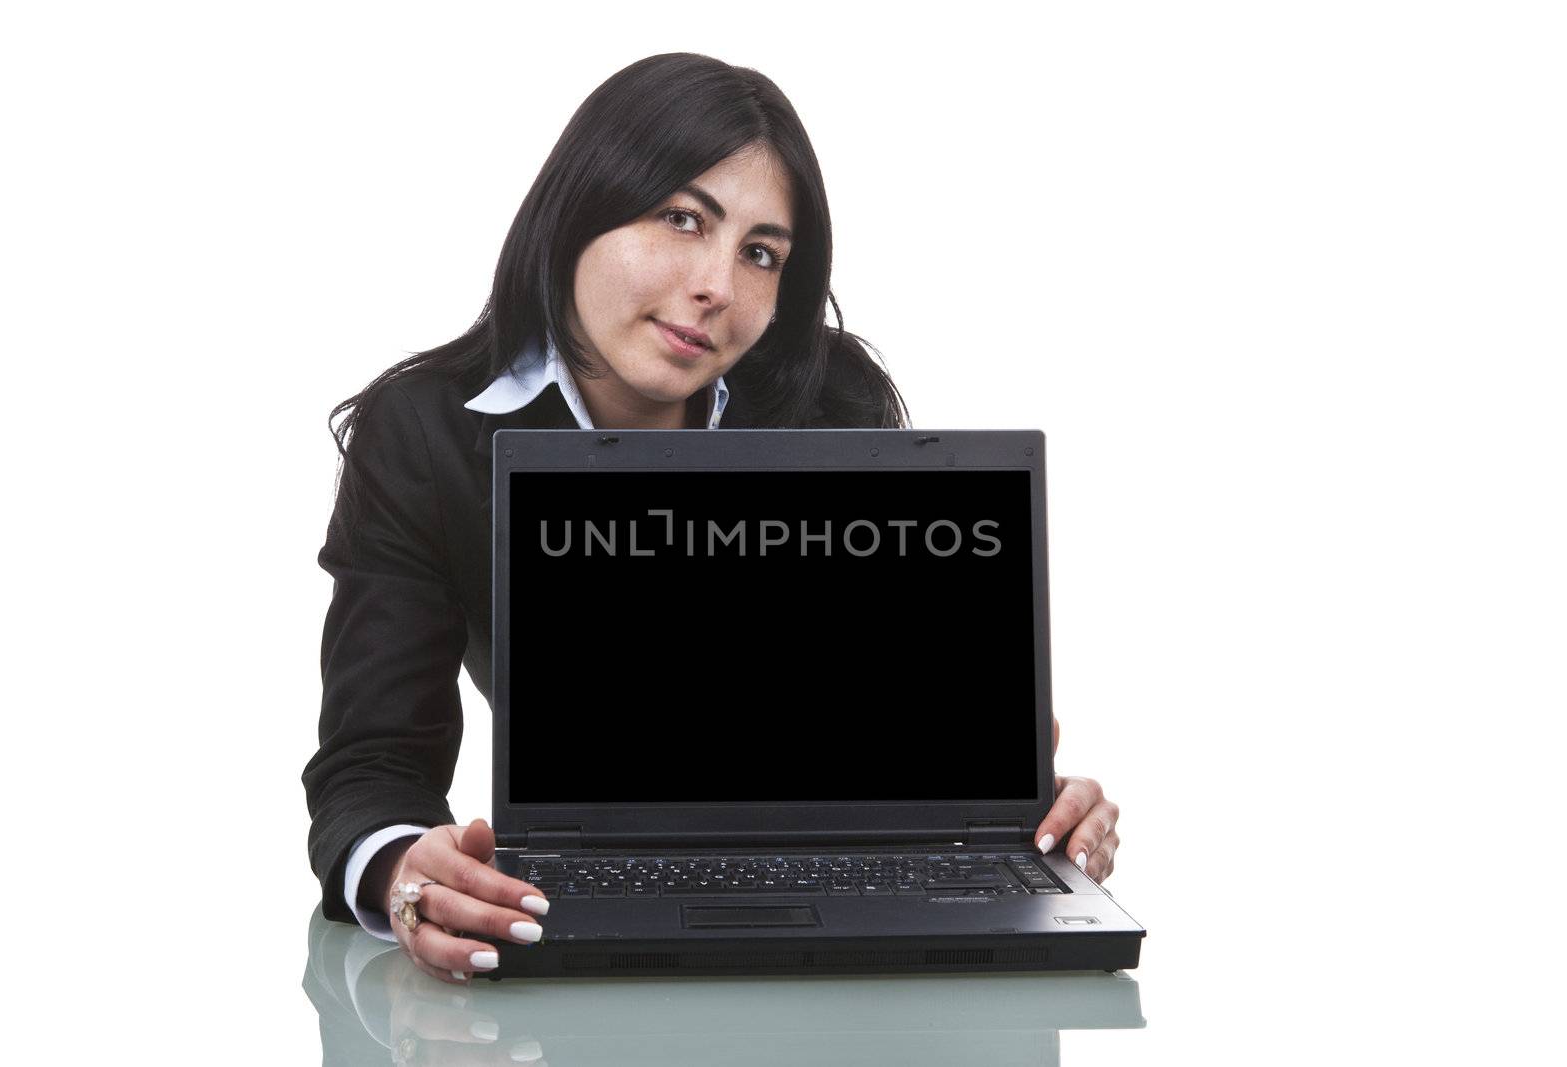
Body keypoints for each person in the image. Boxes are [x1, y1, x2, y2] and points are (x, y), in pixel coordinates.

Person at [303, 52, 1122, 987]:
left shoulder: (832, 398)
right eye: (682, 218)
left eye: (761, 252)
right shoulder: (427, 435)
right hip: (585, 894)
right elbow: (370, 762)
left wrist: (1007, 802)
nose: (718, 287)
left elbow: (872, 715)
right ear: (579, 205)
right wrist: (404, 869)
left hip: (827, 951)